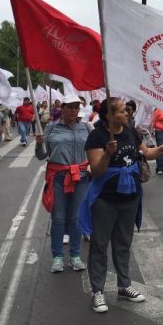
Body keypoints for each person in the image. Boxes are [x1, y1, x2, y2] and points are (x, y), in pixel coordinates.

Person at [80, 98, 163, 313]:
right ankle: (97, 291)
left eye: (127, 110)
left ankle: (124, 285)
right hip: (105, 199)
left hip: (131, 196)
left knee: (123, 243)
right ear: (109, 115)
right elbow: (97, 171)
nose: (127, 113)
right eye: (122, 111)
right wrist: (107, 153)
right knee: (99, 244)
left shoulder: (130, 131)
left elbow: (146, 153)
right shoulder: (96, 136)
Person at [35, 94, 92, 274]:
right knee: (58, 218)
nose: (74, 110)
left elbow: (92, 151)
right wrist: (39, 145)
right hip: (58, 177)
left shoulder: (86, 128)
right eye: (70, 107)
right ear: (63, 109)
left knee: (76, 217)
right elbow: (42, 156)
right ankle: (57, 257)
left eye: (77, 107)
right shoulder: (51, 128)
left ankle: (75, 256)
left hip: (81, 177)